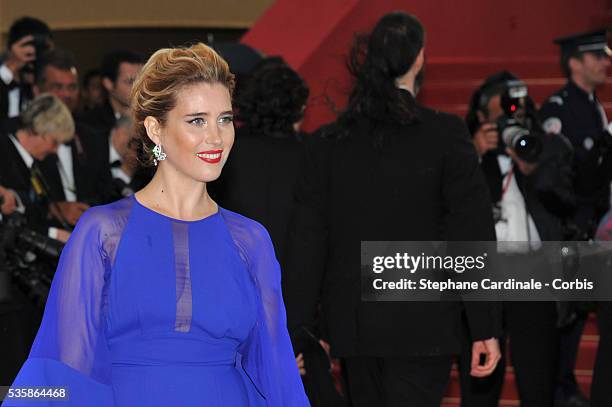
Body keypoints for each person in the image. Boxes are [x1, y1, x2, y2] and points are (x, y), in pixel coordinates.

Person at [2, 43, 309, 407]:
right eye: (197, 120)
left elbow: (274, 371)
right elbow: (65, 368)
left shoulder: (250, 240)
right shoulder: (102, 233)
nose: (216, 137)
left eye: (224, 119)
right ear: (155, 129)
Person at [283, 12, 501, 407]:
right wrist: (484, 324)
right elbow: (471, 234)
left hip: (354, 324)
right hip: (424, 323)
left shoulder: (327, 144)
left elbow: (306, 242)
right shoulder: (446, 135)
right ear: (419, 59)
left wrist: (294, 330)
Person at [461, 71, 574, 407]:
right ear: (481, 119)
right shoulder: (462, 154)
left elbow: (569, 201)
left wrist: (536, 167)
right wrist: (473, 153)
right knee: (480, 387)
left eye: (517, 116)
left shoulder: (545, 147)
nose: (511, 125)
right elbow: (444, 206)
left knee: (537, 380)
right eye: (501, 119)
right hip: (481, 275)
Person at [539, 29, 611, 407]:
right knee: (564, 319)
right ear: (574, 62)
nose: (605, 62)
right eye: (596, 55)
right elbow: (553, 178)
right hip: (569, 231)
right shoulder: (558, 109)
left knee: (579, 316)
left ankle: (564, 385)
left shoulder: (593, 106)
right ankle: (557, 387)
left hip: (592, 230)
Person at [33, 49, 114, 223]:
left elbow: (106, 193)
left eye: (72, 87)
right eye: (57, 87)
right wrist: (55, 210)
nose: (66, 95)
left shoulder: (94, 137)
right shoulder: (24, 138)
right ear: (37, 91)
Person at [0, 93, 74, 241]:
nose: (55, 151)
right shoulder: (3, 153)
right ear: (39, 131)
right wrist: (53, 234)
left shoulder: (36, 166)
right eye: (54, 143)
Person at [0, 17, 52, 130]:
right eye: (28, 44)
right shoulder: (4, 79)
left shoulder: (38, 84)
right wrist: (13, 65)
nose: (34, 51)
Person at [79, 50, 144, 137]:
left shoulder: (152, 119)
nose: (138, 88)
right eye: (130, 81)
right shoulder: (89, 124)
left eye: (142, 81)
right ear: (108, 83)